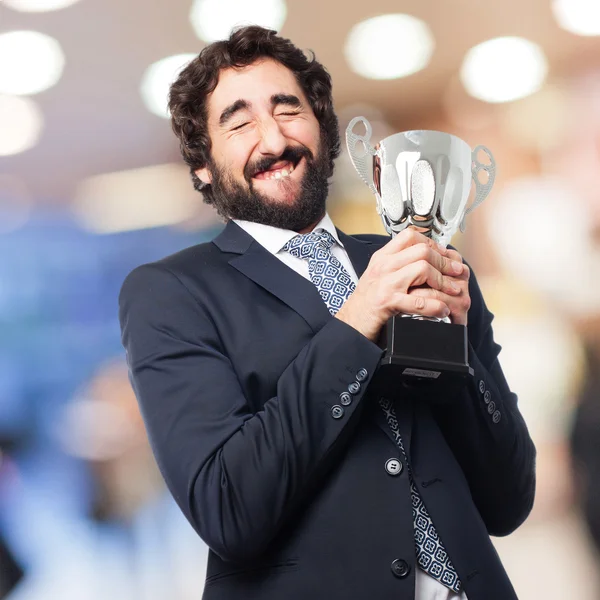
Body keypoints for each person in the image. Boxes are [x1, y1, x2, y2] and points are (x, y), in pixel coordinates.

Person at [118, 25, 536, 600]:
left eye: (288, 110)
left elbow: (509, 500)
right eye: (239, 123)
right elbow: (229, 509)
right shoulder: (169, 294)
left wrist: (459, 343)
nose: (273, 139)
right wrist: (356, 320)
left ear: (324, 130)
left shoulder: (424, 259)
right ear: (203, 168)